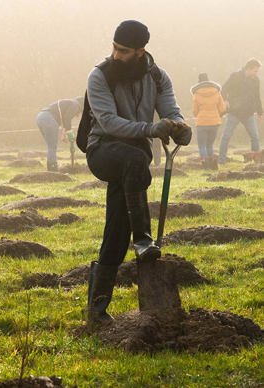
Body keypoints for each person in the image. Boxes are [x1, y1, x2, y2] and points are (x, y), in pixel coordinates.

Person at [82, 21, 191, 327]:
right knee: (134, 159)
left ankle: (97, 311)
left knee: (117, 226)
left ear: (141, 50)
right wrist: (149, 129)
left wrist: (179, 127)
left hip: (134, 160)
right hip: (102, 149)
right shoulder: (99, 75)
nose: (116, 54)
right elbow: (108, 121)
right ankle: (143, 240)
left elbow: (170, 109)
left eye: (124, 50)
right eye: (114, 47)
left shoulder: (157, 75)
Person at [218, 58, 263, 164]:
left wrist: (260, 113)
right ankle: (221, 160)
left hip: (249, 114)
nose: (256, 73)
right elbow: (224, 89)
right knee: (226, 136)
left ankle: (257, 161)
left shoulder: (255, 80)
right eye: (255, 71)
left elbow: (257, 97)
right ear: (249, 68)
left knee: (255, 137)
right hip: (234, 112)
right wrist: (225, 100)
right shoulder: (235, 76)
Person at [36, 97, 83, 171]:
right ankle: (53, 168)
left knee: (51, 146)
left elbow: (64, 120)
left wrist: (64, 134)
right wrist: (70, 133)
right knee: (52, 146)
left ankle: (51, 168)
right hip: (49, 118)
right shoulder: (76, 105)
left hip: (41, 117)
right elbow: (67, 119)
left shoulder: (69, 103)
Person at [191, 73, 226, 169]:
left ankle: (206, 165)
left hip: (201, 122)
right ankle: (212, 164)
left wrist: (198, 114)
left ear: (199, 82)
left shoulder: (196, 94)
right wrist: (215, 114)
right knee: (210, 144)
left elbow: (195, 111)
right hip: (214, 122)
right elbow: (222, 109)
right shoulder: (216, 92)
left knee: (202, 145)